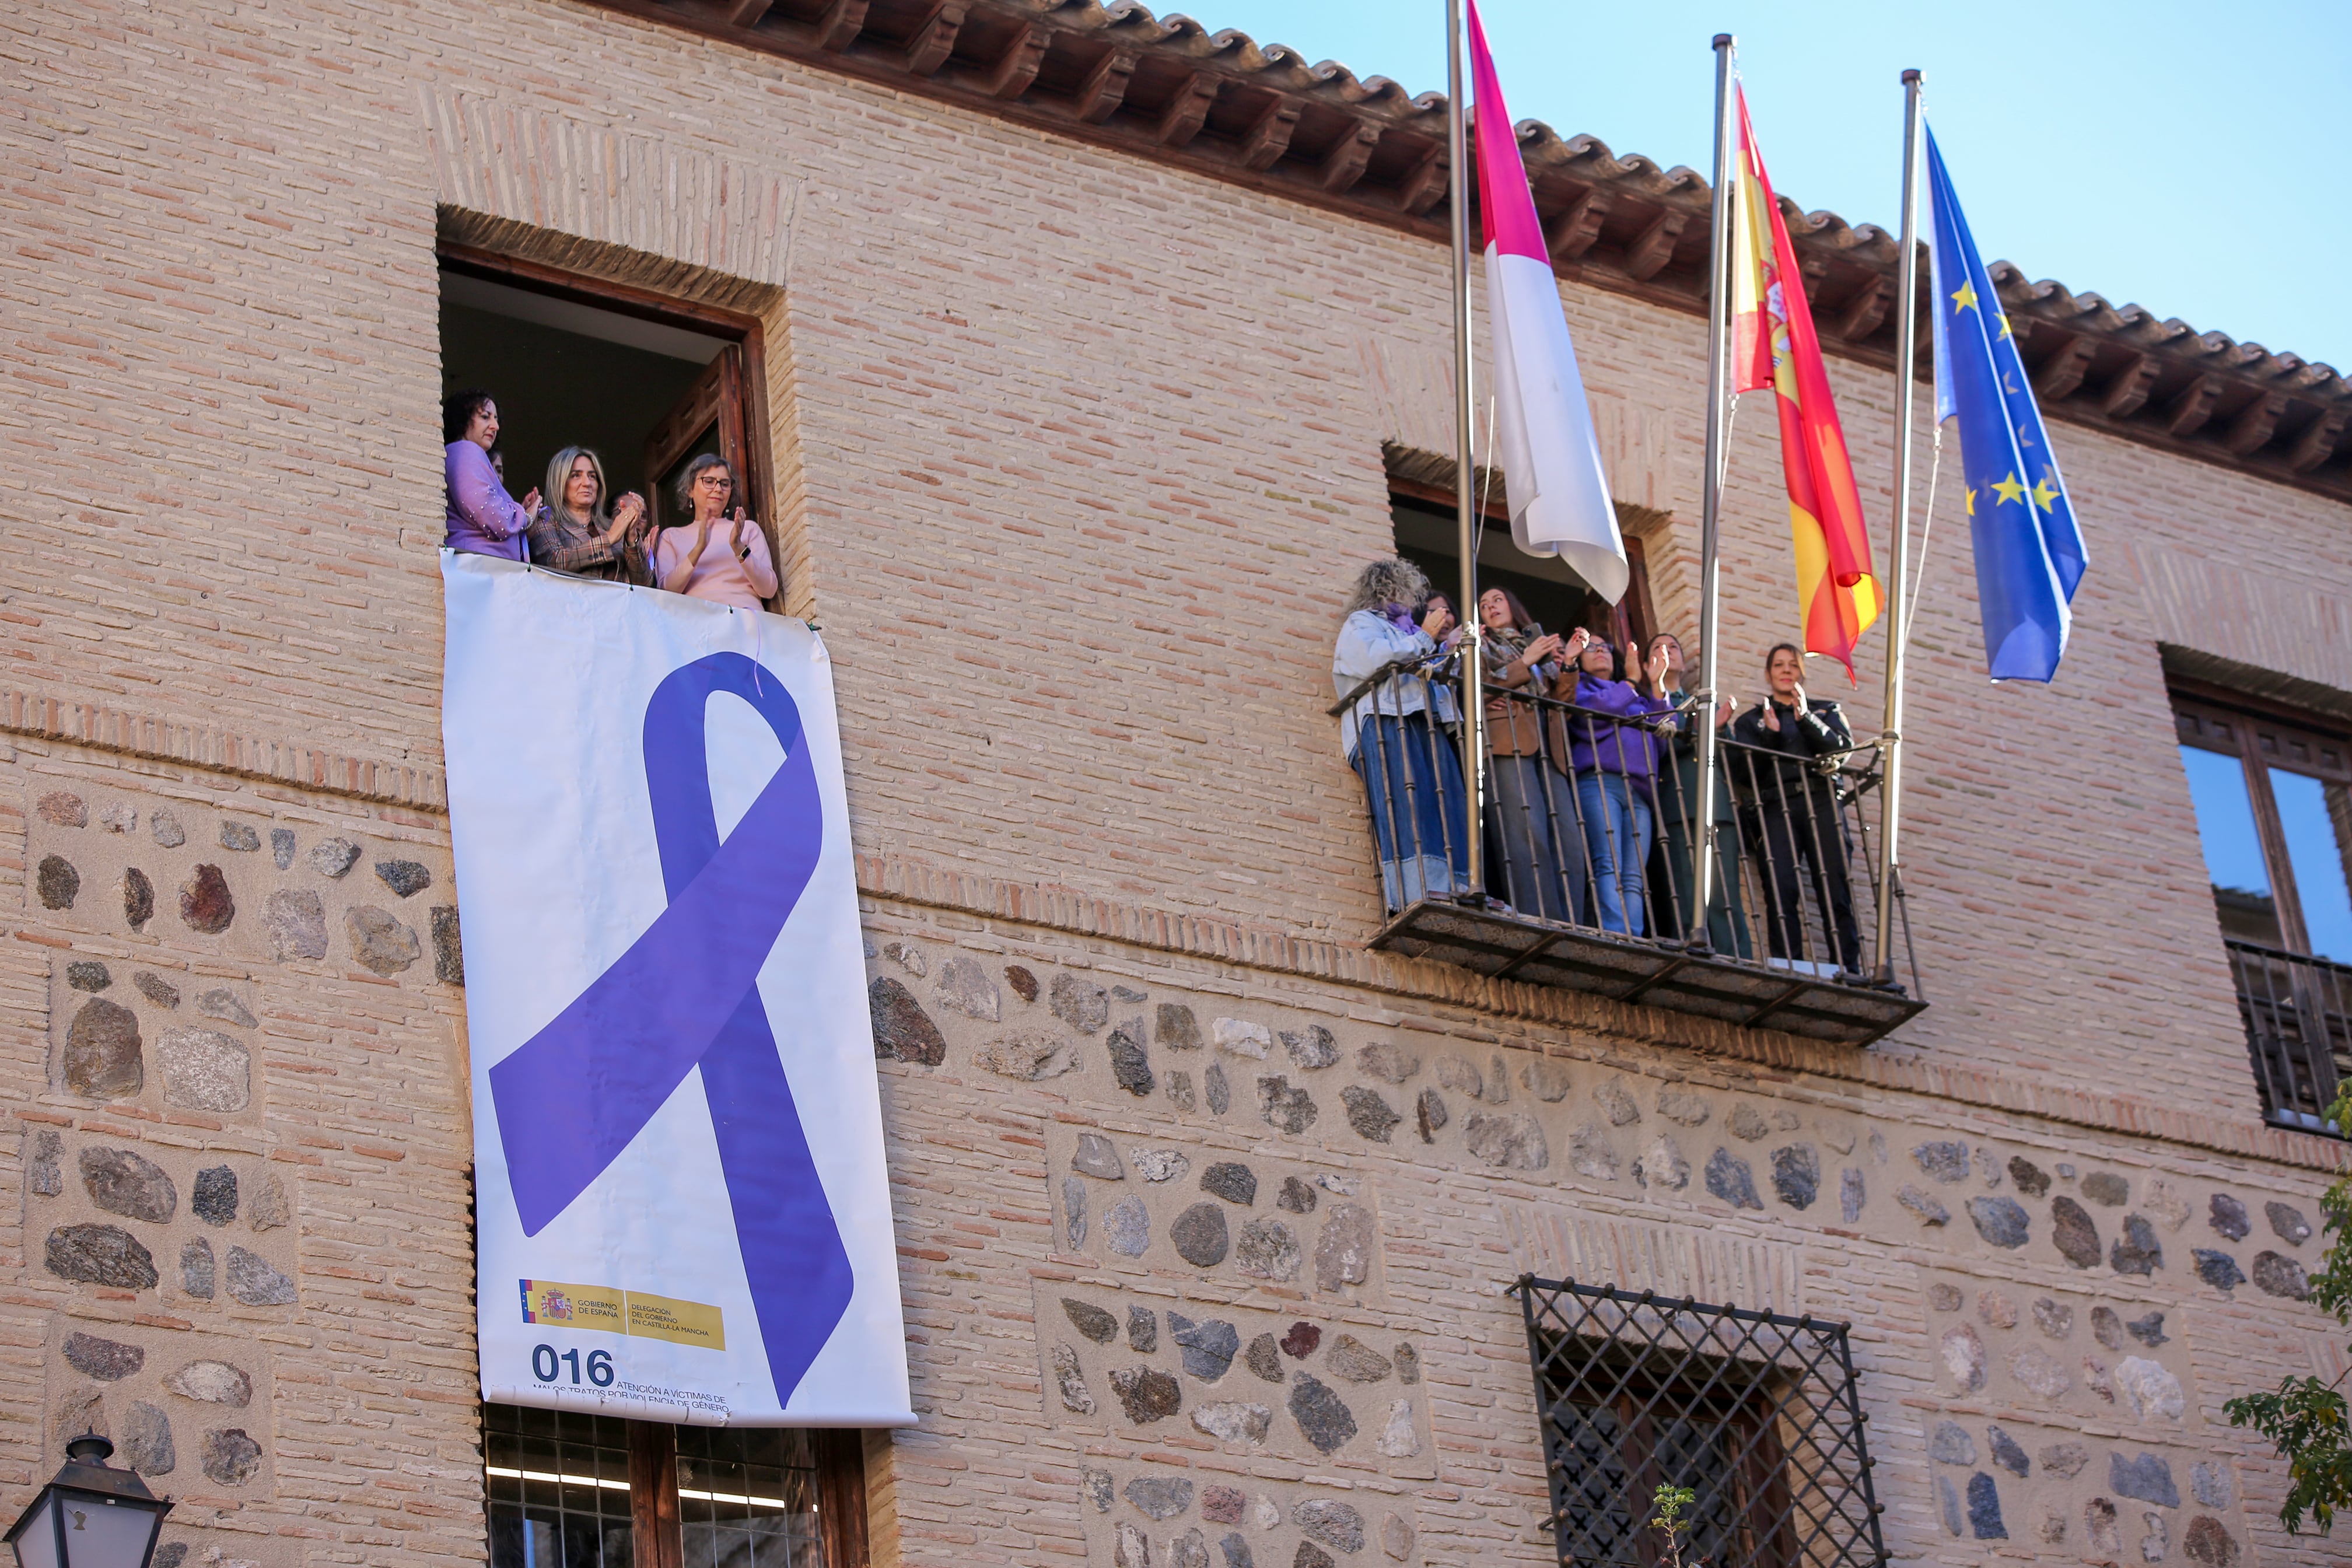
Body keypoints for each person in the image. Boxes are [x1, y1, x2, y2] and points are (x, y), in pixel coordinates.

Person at [1334, 559, 1471, 911]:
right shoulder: (1362, 623)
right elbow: (1373, 660)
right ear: (1382, 591)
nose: (1407, 599)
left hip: (1424, 720)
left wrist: (1447, 650)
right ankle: (1417, 889)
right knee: (1408, 803)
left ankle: (1461, 885)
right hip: (1385, 720)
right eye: (1399, 591)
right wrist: (1425, 637)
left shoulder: (1410, 633)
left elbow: (1424, 672)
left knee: (1447, 803)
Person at [1728, 643, 1864, 974]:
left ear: (1802, 672)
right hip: (1776, 807)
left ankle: (1848, 968)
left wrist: (1807, 721)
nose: (1786, 670)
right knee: (1781, 887)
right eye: (1779, 665)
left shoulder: (1826, 711)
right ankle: (1788, 963)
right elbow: (1743, 771)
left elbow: (1841, 750)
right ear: (1768, 674)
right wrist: (1772, 738)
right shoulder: (1753, 721)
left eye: (1793, 665)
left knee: (1835, 886)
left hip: (1822, 802)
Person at [1644, 632, 1752, 957]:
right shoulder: (1645, 700)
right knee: (1685, 891)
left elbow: (1730, 759)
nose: (1667, 652)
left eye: (1673, 647)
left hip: (1715, 807)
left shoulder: (1706, 702)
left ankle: (1738, 962)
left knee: (1724, 895)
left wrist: (1718, 730)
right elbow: (1657, 747)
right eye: (1657, 648)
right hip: (1674, 806)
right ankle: (1692, 958)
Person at [1476, 587, 1580, 922]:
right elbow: (1478, 683)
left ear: (1513, 605)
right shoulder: (1481, 644)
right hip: (1508, 738)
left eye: (1497, 600)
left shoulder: (1536, 645)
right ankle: (1538, 919)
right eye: (1483, 605)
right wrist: (1527, 661)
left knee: (1568, 839)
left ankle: (1572, 922)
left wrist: (1571, 663)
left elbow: (1562, 702)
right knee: (1526, 832)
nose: (1490, 607)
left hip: (1549, 742)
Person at [1557, 633, 1672, 936]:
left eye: (1604, 647)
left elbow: (1660, 746)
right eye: (1590, 648)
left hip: (1640, 793)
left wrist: (1657, 685)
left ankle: (1632, 936)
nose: (1599, 652)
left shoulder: (1638, 698)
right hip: (1599, 782)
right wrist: (1631, 684)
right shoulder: (1581, 689)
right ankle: (1614, 933)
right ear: (1579, 658)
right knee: (1608, 863)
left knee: (1634, 875)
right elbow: (1591, 718)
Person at [654, 454, 779, 610]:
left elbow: (769, 589)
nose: (718, 489)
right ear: (689, 490)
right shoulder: (671, 536)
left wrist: (739, 548)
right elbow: (666, 593)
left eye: (725, 484)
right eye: (709, 482)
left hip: (746, 622)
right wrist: (699, 548)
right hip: (694, 623)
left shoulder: (748, 529)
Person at [527, 447, 653, 584]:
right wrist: (609, 538)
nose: (587, 483)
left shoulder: (611, 526)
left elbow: (644, 584)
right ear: (559, 482)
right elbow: (554, 561)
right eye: (576, 475)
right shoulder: (546, 519)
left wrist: (631, 537)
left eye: (592, 476)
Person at [443, 391, 538, 559]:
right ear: (463, 420)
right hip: (479, 568)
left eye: (496, 419)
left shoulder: (461, 453)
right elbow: (495, 518)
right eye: (486, 417)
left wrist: (517, 511)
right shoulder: (466, 451)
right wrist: (525, 516)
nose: (496, 426)